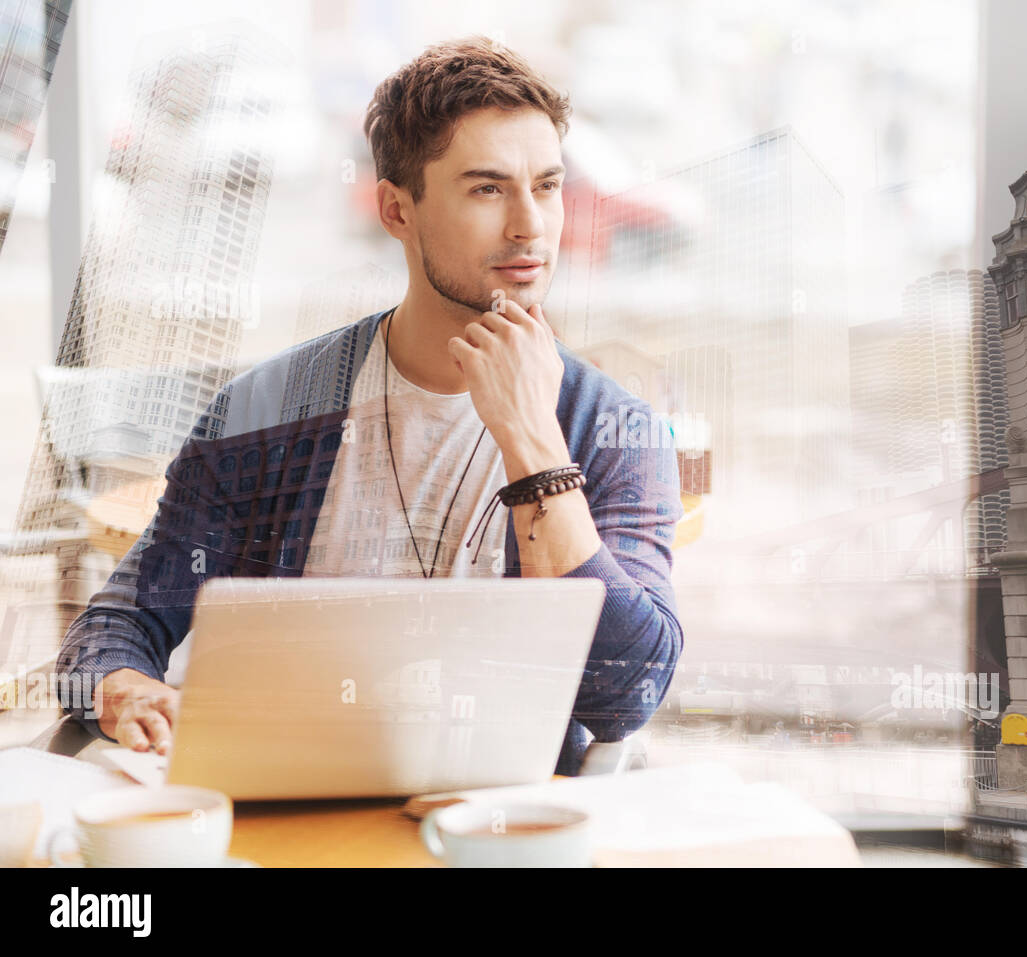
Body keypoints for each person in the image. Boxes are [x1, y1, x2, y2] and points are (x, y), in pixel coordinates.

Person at [54, 35, 684, 777]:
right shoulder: (268, 412)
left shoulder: (611, 428)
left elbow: (628, 692)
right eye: (487, 188)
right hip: (288, 805)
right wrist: (123, 688)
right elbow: (118, 621)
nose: (530, 226)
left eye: (546, 185)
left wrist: (534, 443)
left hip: (504, 827)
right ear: (396, 209)